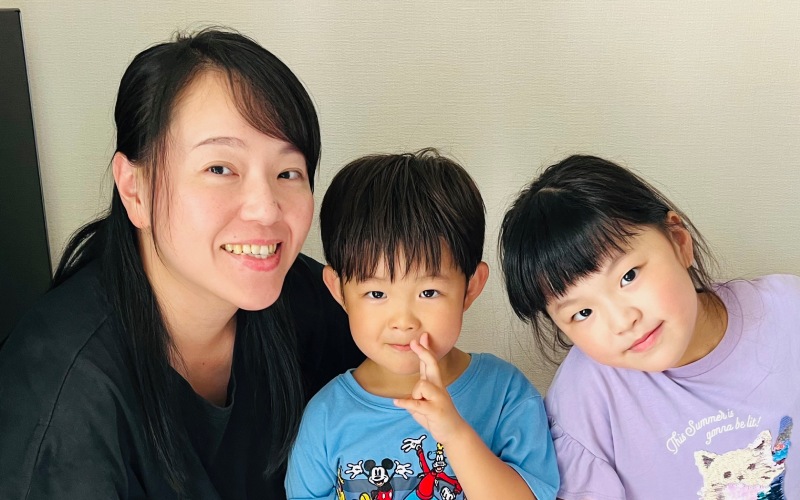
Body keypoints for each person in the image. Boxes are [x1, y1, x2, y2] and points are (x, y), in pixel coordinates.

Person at [0, 29, 363, 499]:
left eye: (287, 172)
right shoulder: (67, 395)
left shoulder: (311, 301)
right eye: (220, 168)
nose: (266, 208)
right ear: (135, 189)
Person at [499, 154, 800, 499]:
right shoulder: (583, 402)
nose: (622, 321)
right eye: (583, 312)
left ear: (679, 241)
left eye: (628, 276)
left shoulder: (788, 312)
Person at [285, 149, 560, 500]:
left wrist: (454, 433)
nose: (403, 321)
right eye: (376, 293)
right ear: (339, 291)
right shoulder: (326, 417)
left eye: (428, 292)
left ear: (470, 288)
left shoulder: (505, 394)